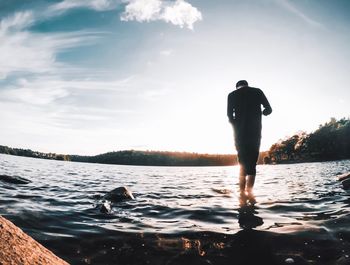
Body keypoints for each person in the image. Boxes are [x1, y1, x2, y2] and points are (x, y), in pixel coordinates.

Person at [227, 80, 272, 197]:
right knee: (252, 163)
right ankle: (250, 192)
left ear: (237, 87)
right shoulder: (257, 92)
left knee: (242, 161)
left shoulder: (232, 95)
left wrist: (236, 127)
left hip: (239, 134)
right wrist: (264, 112)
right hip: (255, 132)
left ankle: (241, 193)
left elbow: (229, 116)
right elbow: (269, 109)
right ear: (247, 84)